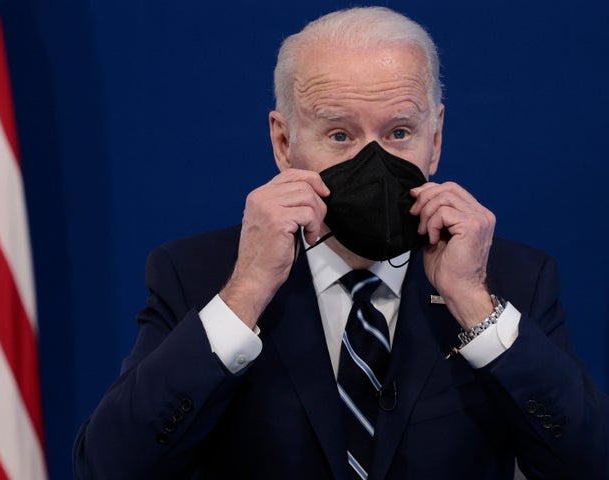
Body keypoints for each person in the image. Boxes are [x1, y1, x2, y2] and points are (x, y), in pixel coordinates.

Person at [72, 7, 609, 479]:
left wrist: (473, 303)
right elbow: (110, 466)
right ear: (284, 143)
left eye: (400, 132)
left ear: (436, 139)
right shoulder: (197, 274)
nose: (372, 164)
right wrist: (246, 294)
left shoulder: (512, 279)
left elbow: (588, 464)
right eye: (340, 135)